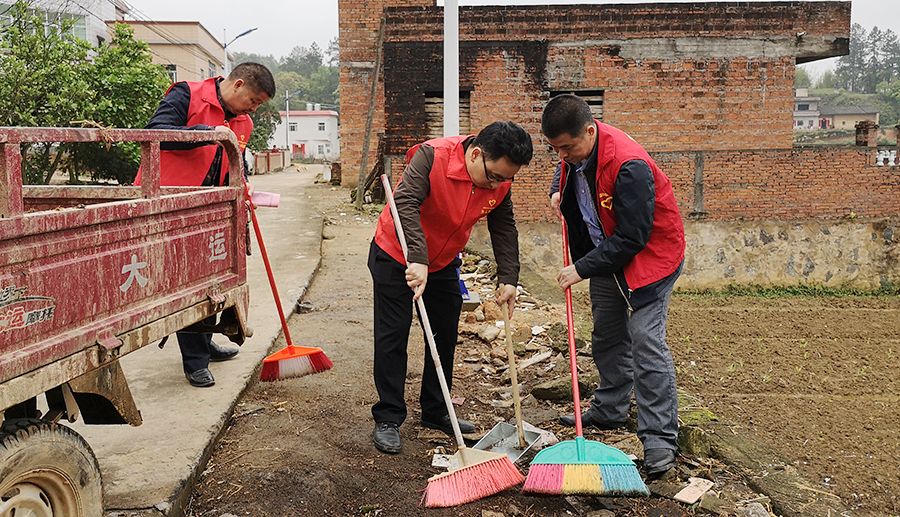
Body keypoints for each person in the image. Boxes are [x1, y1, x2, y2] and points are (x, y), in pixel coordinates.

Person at [368, 121, 534, 454]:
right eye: (494, 176)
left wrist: (508, 278)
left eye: (506, 178)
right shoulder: (432, 157)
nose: (498, 185)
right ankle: (388, 416)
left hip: (443, 261)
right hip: (397, 253)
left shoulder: (500, 180)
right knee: (393, 334)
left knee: (443, 334)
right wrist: (416, 258)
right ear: (476, 154)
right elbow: (406, 204)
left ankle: (436, 409)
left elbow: (504, 225)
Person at [542, 94, 686, 477]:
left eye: (567, 148)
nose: (563, 156)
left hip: (650, 259)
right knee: (607, 332)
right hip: (604, 253)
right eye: (556, 149)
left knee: (645, 340)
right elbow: (566, 167)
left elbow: (633, 238)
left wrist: (580, 268)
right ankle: (609, 409)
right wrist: (559, 187)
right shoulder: (577, 150)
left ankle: (659, 440)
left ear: (590, 131)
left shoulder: (629, 166)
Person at [138, 62, 276, 387]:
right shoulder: (187, 95)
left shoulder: (244, 121)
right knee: (190, 284)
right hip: (171, 204)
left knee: (214, 279)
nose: (253, 109)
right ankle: (195, 362)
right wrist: (204, 134)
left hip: (214, 211)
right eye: (253, 101)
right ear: (239, 85)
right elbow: (155, 133)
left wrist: (244, 185)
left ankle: (206, 342)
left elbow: (236, 160)